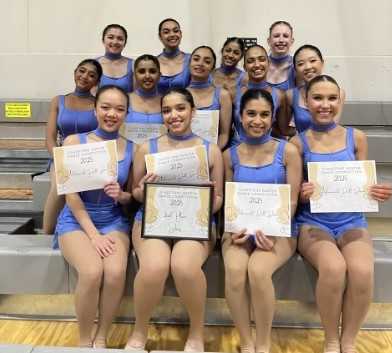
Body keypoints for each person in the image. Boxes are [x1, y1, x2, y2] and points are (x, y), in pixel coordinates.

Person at [291, 75, 392, 353]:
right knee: (334, 268)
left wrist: (376, 191)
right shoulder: (298, 143)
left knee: (361, 271)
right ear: (306, 102)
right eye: (318, 98)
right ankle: (331, 340)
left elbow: (362, 183)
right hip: (313, 223)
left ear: (341, 100)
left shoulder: (356, 137)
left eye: (331, 98)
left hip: (351, 221)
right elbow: (293, 193)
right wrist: (302, 192)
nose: (325, 104)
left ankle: (348, 340)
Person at [125, 88, 223, 351]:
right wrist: (142, 188)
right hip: (154, 219)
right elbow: (134, 192)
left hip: (195, 222)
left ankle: (196, 332)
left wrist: (206, 198)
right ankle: (140, 329)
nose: (174, 115)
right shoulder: (147, 148)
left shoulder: (210, 150)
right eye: (167, 111)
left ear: (193, 111)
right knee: (154, 267)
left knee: (184, 266)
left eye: (180, 108)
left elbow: (219, 200)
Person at [54, 85, 134, 348]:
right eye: (106, 107)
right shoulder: (74, 142)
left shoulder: (132, 148)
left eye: (120, 109)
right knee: (91, 271)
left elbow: (130, 196)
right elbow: (71, 196)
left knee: (114, 273)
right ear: (95, 108)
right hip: (77, 220)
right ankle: (84, 340)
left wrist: (120, 194)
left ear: (126, 113)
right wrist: (94, 236)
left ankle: (102, 336)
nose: (112, 114)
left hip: (112, 220)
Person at [222, 89, 301, 353]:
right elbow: (229, 200)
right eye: (251, 114)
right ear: (240, 116)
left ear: (273, 116)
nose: (258, 120)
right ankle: (246, 341)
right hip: (239, 230)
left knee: (257, 270)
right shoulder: (229, 155)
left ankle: (264, 343)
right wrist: (234, 231)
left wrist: (275, 230)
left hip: (279, 229)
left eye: (265, 114)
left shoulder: (288, 152)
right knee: (234, 271)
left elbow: (292, 200)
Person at [43, 59, 102, 234]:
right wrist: (59, 159)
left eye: (91, 75)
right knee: (59, 185)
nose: (85, 76)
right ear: (75, 72)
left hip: (88, 158)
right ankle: (47, 232)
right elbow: (50, 137)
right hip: (61, 156)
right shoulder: (58, 101)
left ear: (97, 82)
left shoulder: (98, 104)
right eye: (82, 71)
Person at [232, 44, 288, 144]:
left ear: (269, 63)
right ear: (245, 67)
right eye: (251, 61)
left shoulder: (280, 95)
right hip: (239, 149)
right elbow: (225, 131)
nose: (257, 64)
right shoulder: (233, 94)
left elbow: (282, 131)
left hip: (267, 151)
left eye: (261, 59)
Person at [286, 44, 345, 133]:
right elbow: (285, 129)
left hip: (329, 144)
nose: (308, 67)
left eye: (313, 61)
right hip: (302, 145)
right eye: (301, 64)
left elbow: (333, 126)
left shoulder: (338, 92)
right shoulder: (291, 95)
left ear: (322, 63)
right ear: (295, 69)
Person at [187, 45, 232, 150]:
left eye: (207, 61)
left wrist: (211, 154)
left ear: (212, 68)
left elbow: (224, 135)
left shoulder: (222, 95)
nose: (200, 64)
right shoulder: (180, 95)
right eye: (196, 59)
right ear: (189, 63)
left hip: (214, 154)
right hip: (186, 155)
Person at [125, 54, 163, 141]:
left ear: (159, 75)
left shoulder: (167, 101)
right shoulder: (124, 100)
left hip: (159, 153)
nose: (147, 76)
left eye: (152, 71)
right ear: (134, 75)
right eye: (142, 71)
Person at [157, 18, 191, 94]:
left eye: (176, 31)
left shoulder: (192, 60)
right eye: (166, 32)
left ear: (181, 34)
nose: (172, 34)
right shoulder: (153, 63)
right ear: (160, 37)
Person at [97, 24, 134, 93]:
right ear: (103, 40)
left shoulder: (133, 65)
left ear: (125, 43)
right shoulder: (94, 64)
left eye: (120, 39)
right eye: (110, 37)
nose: (115, 42)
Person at [212, 37, 247, 102]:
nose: (231, 55)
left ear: (241, 56)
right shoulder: (210, 75)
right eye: (228, 50)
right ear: (222, 51)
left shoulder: (244, 78)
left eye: (236, 53)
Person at [266, 20, 296, 91]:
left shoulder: (297, 66)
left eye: (285, 36)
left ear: (291, 41)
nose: (281, 40)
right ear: (269, 40)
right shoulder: (260, 65)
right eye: (276, 36)